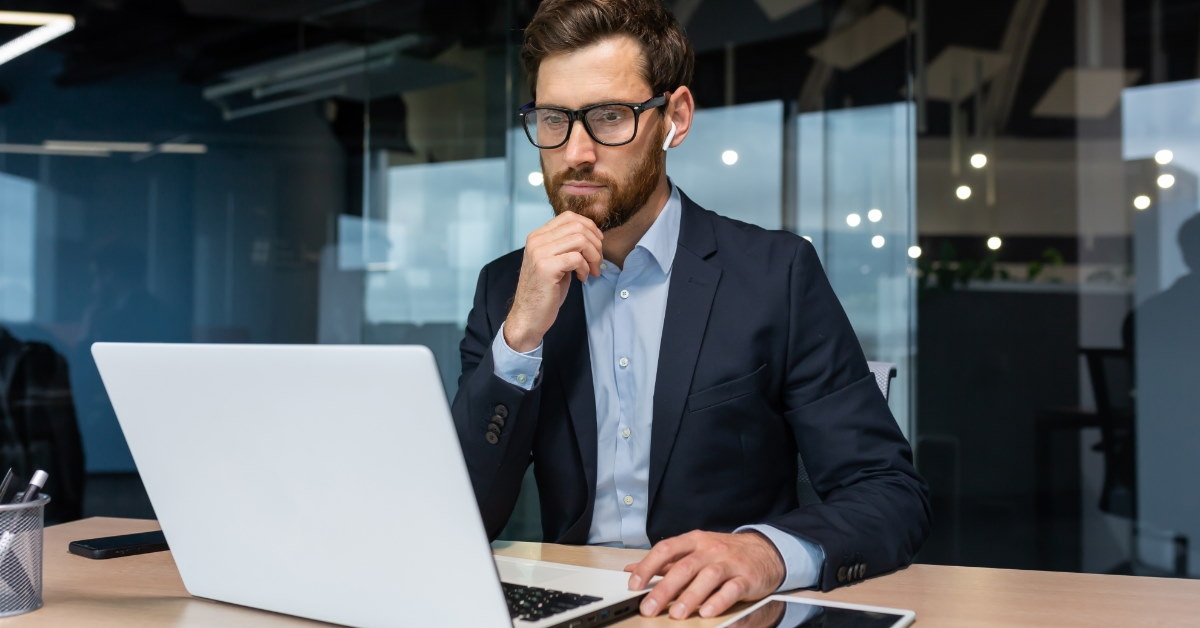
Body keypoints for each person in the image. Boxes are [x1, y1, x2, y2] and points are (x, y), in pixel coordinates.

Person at [451, 0, 931, 620]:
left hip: (720, 613)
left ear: (674, 117)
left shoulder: (774, 274)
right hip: (569, 609)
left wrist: (768, 553)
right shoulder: (505, 290)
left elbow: (889, 493)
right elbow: (461, 516)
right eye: (552, 120)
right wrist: (518, 339)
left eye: (608, 117)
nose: (575, 152)